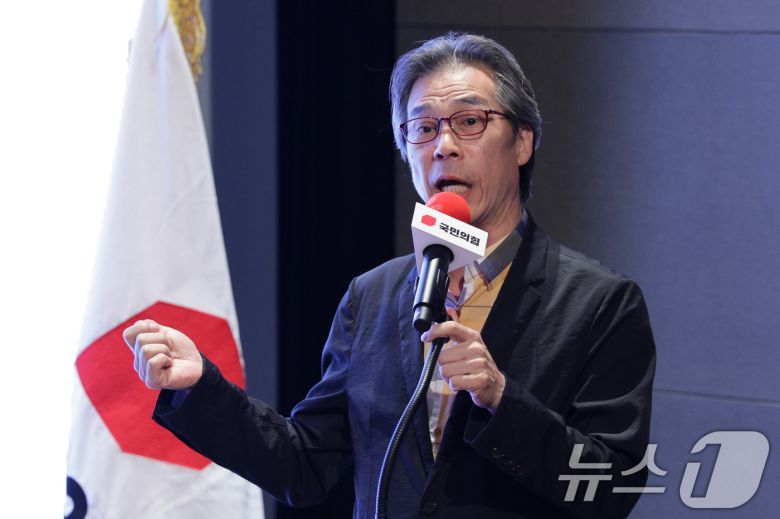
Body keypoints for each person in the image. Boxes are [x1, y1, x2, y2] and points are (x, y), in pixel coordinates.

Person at [123, 33, 656, 518]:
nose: (444, 145)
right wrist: (201, 387)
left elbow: (611, 487)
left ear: (522, 141)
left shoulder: (599, 302)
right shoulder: (373, 296)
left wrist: (500, 399)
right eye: (423, 128)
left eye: (469, 122)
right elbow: (304, 466)